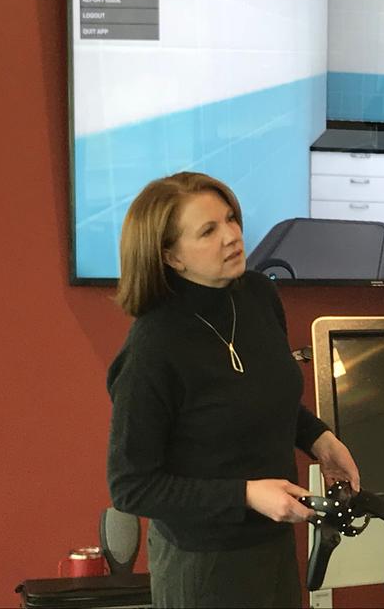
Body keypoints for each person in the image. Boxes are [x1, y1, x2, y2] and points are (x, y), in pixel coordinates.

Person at [107, 171, 360, 608]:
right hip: (202, 560)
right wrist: (245, 493)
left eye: (230, 219)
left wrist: (319, 438)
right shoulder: (153, 348)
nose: (232, 236)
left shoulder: (258, 294)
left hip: (273, 543)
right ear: (171, 257)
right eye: (208, 230)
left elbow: (260, 395)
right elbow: (132, 487)